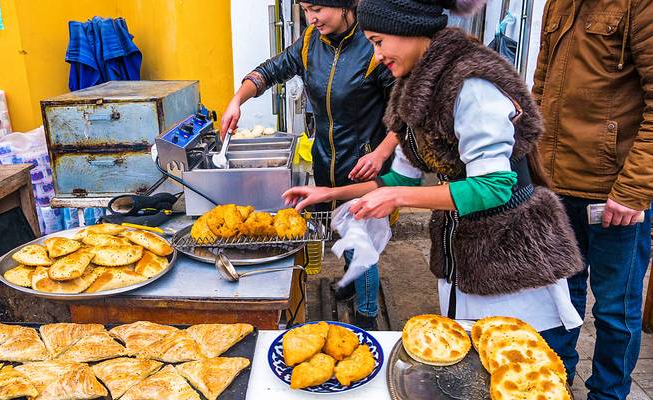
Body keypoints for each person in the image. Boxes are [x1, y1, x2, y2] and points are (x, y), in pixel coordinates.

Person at [284, 0, 586, 336]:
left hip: (511, 257)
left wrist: (397, 198)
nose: (376, 55)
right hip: (460, 251)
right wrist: (331, 192)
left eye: (378, 42)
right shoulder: (414, 88)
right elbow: (400, 178)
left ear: (409, 29)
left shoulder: (470, 86)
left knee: (512, 362)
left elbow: (494, 186)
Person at [221, 0, 398, 329]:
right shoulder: (308, 44)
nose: (312, 18)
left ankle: (368, 316)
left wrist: (381, 153)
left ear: (345, 5)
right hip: (327, 161)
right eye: (305, 9)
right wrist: (237, 99)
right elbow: (270, 71)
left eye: (318, 8)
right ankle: (348, 286)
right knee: (341, 225)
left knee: (362, 241)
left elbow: (403, 111)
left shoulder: (373, 47)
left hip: (365, 164)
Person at [532, 0, 653, 397]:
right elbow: (540, 88)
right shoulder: (557, 3)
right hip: (556, 190)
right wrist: (531, 171)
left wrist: (633, 191)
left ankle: (608, 393)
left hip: (615, 198)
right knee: (558, 301)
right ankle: (554, 384)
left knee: (615, 313)